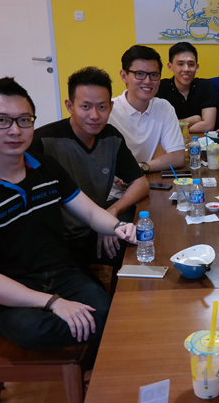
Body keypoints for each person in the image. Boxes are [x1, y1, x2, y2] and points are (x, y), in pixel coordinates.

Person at [0, 77, 137, 350]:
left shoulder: (46, 166)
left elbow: (90, 213)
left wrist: (117, 227)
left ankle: (97, 360)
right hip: (9, 290)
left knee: (105, 312)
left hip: (63, 273)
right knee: (37, 330)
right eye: (1, 120)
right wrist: (54, 303)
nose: (15, 130)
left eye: (24, 120)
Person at [29, 67, 149, 280]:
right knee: (94, 294)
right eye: (85, 106)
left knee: (144, 248)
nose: (95, 115)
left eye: (102, 107)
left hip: (95, 228)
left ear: (111, 107)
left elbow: (140, 183)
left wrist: (111, 213)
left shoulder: (111, 138)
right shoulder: (43, 142)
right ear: (70, 106)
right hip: (58, 243)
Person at [109, 45, 185, 175]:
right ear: (124, 76)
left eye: (154, 75)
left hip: (142, 180)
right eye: (140, 74)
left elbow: (178, 157)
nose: (148, 81)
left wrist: (140, 168)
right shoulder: (108, 110)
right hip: (111, 185)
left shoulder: (164, 107)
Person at [155, 42, 217, 133]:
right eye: (180, 64)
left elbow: (208, 125)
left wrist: (180, 128)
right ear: (170, 66)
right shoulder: (160, 87)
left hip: (199, 141)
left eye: (191, 64)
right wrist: (190, 120)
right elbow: (158, 126)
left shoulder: (205, 86)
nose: (186, 69)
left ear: (197, 67)